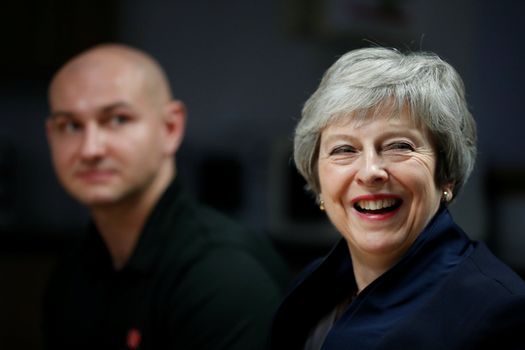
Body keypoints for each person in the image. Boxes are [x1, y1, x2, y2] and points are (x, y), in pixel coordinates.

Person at [269, 47, 525, 350]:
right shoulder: (309, 287)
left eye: (399, 146)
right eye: (344, 150)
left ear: (446, 175)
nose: (370, 172)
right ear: (319, 182)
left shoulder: (500, 312)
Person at [43, 43, 288, 350]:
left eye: (117, 119)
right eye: (70, 126)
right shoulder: (74, 271)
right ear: (51, 135)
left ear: (170, 128)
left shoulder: (222, 276)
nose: (90, 148)